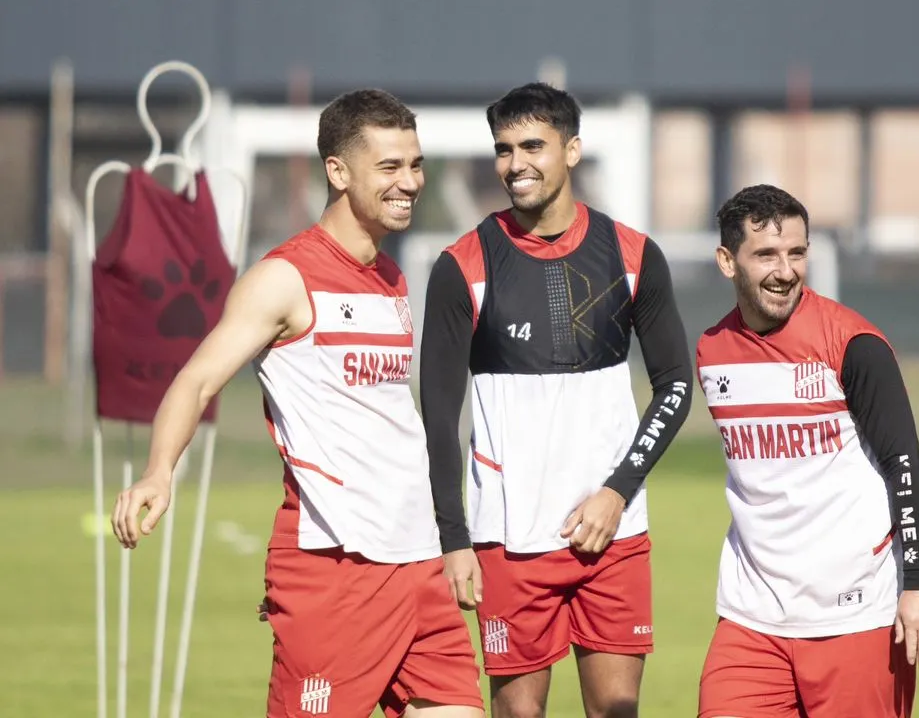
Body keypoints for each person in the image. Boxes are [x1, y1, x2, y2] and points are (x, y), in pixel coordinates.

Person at [111, 89, 485, 718]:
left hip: (419, 563)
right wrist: (158, 471)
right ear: (337, 171)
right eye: (389, 167)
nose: (411, 183)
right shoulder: (286, 277)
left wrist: (450, 534)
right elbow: (197, 380)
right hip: (335, 566)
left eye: (415, 164)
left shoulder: (392, 277)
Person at [419, 81, 693, 718]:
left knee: (617, 713)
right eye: (504, 149)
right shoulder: (461, 266)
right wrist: (452, 538)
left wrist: (617, 490)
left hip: (613, 533)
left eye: (533, 146)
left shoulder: (634, 255)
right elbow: (437, 413)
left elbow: (675, 385)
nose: (517, 165)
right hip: (508, 542)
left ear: (572, 150)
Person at [694, 184, 919, 718]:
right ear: (726, 261)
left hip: (855, 617)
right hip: (749, 619)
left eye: (796, 253)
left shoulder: (855, 345)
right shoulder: (711, 352)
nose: (785, 270)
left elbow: (904, 462)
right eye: (765, 254)